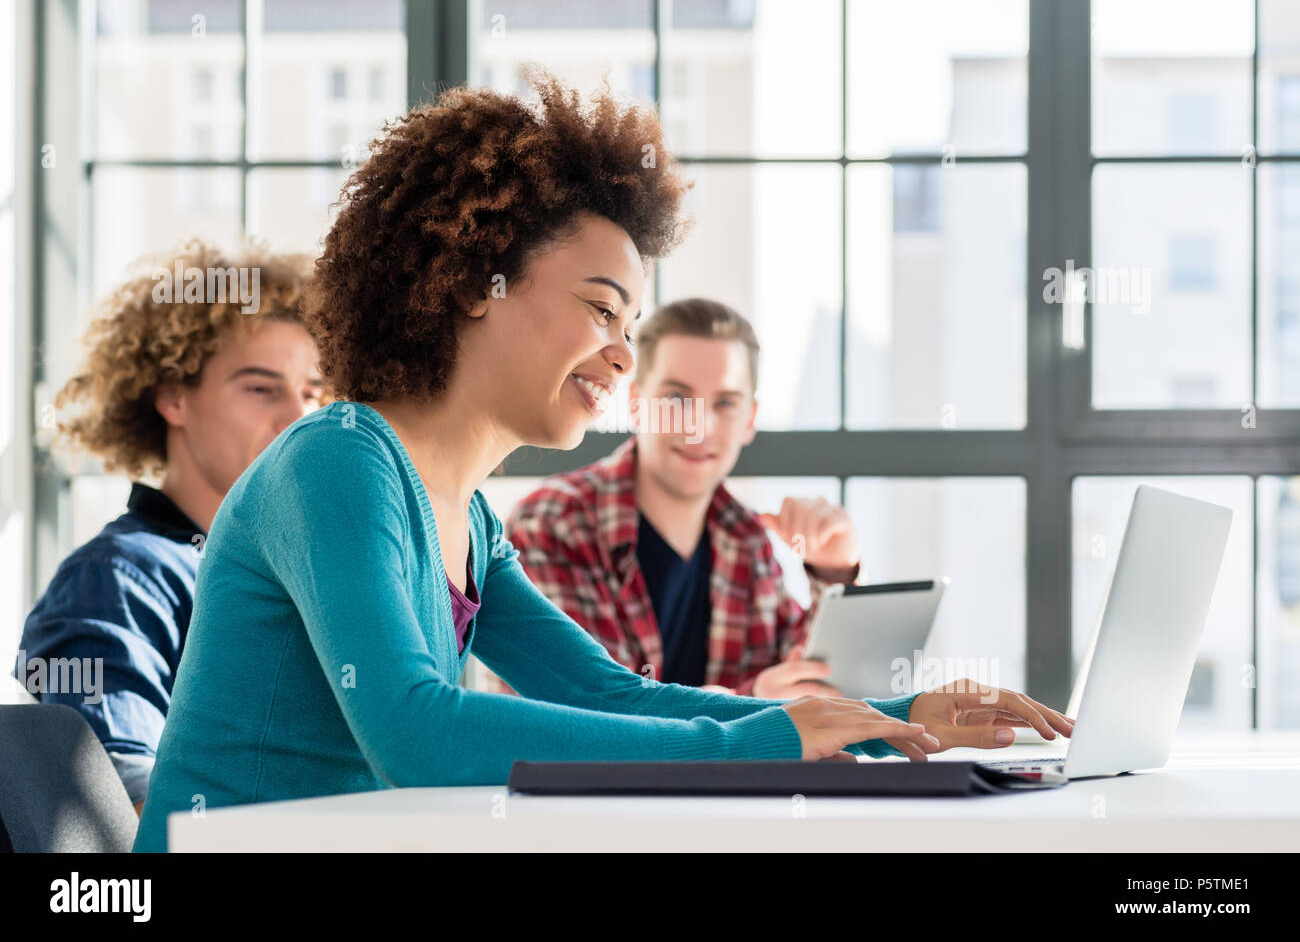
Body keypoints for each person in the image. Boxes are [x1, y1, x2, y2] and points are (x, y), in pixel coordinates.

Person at [133, 71, 1071, 852]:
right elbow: (415, 732)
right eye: (598, 306)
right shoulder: (336, 463)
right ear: (470, 283)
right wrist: (764, 744)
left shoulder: (469, 518)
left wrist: (895, 720)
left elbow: (606, 692)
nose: (623, 354)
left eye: (630, 323)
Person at [15, 240, 325, 815]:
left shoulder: (305, 576)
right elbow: (115, 805)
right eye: (261, 388)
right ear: (173, 396)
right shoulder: (117, 580)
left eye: (313, 392)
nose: (299, 418)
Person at [498, 297, 867, 698]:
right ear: (637, 404)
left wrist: (835, 573)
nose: (699, 427)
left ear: (749, 420)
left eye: (725, 403)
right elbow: (589, 718)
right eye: (676, 399)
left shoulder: (745, 538)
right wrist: (756, 706)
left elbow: (816, 680)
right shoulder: (553, 523)